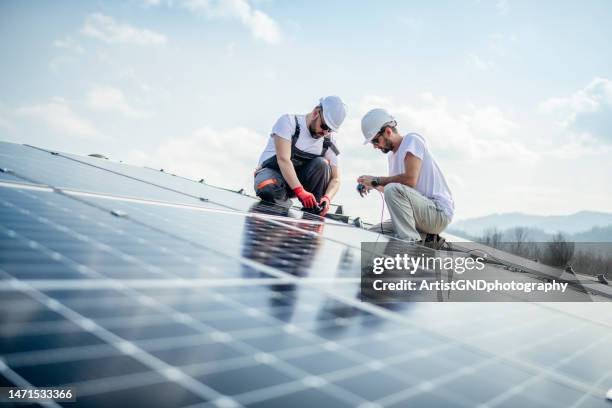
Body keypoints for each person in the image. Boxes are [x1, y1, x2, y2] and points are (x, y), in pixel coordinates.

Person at [357, 108, 454, 245]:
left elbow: (410, 180)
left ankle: (411, 245)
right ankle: (426, 238)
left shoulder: (411, 140)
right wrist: (373, 185)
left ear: (388, 132)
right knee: (372, 235)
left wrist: (376, 179)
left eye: (375, 141)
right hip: (418, 213)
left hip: (437, 213)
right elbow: (398, 195)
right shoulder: (392, 157)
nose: (375, 146)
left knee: (392, 189)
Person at [254, 96, 347, 216]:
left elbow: (336, 179)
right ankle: (282, 203)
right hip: (274, 175)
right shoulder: (288, 122)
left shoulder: (329, 141)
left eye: (330, 130)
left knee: (322, 164)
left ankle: (314, 209)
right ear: (316, 112)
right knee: (266, 187)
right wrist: (300, 191)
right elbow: (283, 160)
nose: (325, 132)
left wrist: (327, 198)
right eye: (324, 126)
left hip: (300, 183)